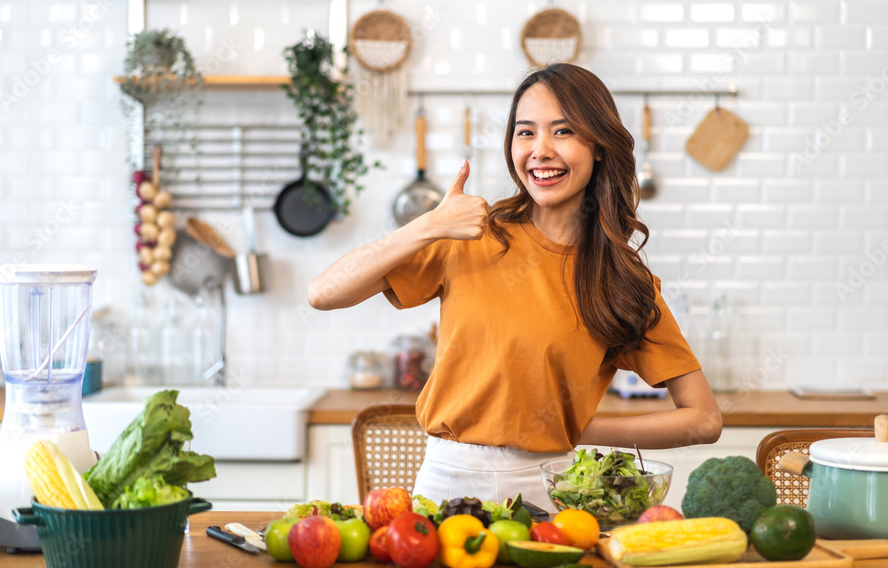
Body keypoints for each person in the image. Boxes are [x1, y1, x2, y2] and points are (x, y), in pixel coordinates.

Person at [308, 63, 721, 509]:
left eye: (563, 132)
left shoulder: (621, 280)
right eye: (526, 132)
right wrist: (427, 225)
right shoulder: (470, 233)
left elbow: (702, 420)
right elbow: (324, 293)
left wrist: (574, 429)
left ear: (599, 147)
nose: (540, 150)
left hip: (549, 488)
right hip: (447, 483)